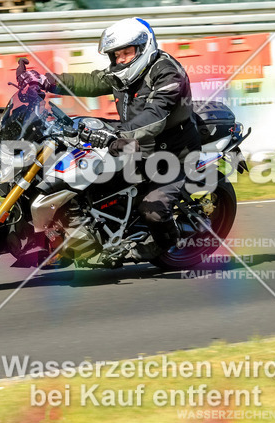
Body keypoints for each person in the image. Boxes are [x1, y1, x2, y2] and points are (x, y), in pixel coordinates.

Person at [42, 17, 201, 258]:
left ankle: (171, 245)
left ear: (143, 47)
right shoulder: (122, 72)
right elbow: (91, 81)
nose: (121, 59)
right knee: (86, 182)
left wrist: (117, 135)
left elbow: (155, 115)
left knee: (152, 210)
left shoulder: (169, 73)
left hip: (171, 154)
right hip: (134, 144)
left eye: (127, 52)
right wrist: (46, 81)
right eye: (116, 54)